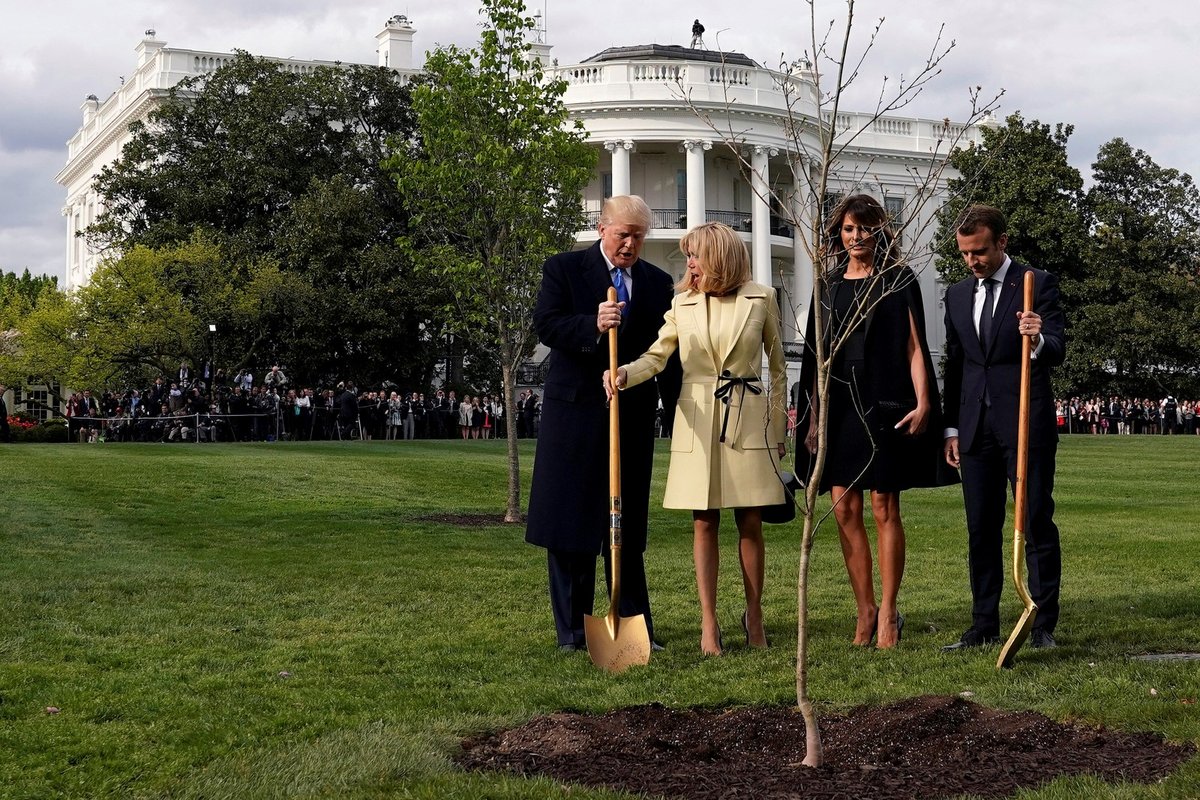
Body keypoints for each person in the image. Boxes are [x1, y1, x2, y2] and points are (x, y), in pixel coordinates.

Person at [606, 221, 786, 656]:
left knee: (750, 521)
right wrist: (626, 373)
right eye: (688, 255)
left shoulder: (762, 297)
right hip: (696, 420)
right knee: (703, 521)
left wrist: (777, 429)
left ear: (720, 256)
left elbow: (778, 368)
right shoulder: (682, 302)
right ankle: (709, 626)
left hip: (748, 418)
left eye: (696, 254)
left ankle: (754, 614)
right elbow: (657, 355)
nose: (689, 263)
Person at [796, 194, 954, 649]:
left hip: (886, 406)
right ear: (838, 235)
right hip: (839, 410)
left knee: (885, 506)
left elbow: (914, 347)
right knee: (844, 508)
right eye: (848, 230)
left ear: (879, 231)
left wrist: (925, 401)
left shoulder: (898, 280)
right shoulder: (826, 287)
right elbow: (815, 359)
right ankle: (864, 608)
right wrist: (811, 419)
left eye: (864, 229)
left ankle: (889, 611)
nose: (857, 238)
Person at [525, 195, 680, 653]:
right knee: (572, 523)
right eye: (622, 234)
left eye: (638, 236)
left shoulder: (656, 282)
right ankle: (573, 632)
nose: (630, 244)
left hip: (630, 417)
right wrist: (591, 323)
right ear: (601, 228)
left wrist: (676, 415)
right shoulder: (564, 270)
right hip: (574, 416)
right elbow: (547, 326)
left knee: (625, 526)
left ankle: (633, 624)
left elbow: (666, 355)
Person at [941, 205, 1066, 652]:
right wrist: (951, 428)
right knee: (981, 527)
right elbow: (956, 364)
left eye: (980, 252)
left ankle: (1042, 623)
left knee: (1034, 520)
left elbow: (1057, 345)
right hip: (974, 429)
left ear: (1002, 243)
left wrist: (1037, 338)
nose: (973, 261)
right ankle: (983, 624)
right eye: (965, 254)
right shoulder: (956, 295)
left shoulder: (1035, 284)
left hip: (1024, 423)